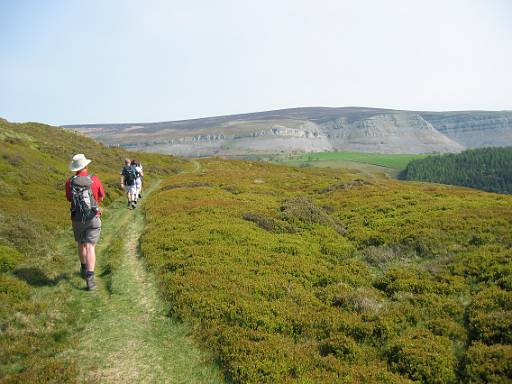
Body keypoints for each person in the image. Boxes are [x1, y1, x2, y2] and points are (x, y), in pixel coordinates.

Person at [65, 154, 104, 291]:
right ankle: (90, 278)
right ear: (86, 166)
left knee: (81, 244)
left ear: (75, 168)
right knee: (90, 247)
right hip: (93, 217)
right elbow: (101, 196)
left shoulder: (70, 182)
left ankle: (83, 268)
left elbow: (69, 199)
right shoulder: (94, 179)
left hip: (77, 218)